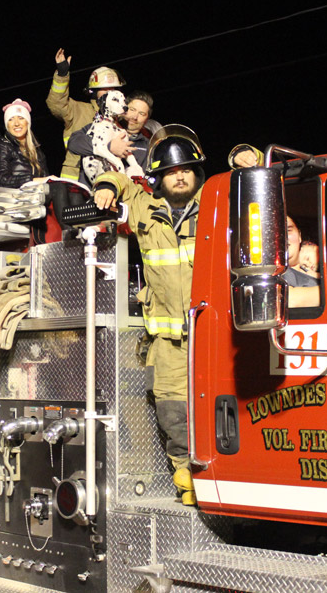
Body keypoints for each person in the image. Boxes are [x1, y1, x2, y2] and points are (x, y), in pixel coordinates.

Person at [92, 124, 205, 505]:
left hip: (213, 335)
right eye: (171, 171)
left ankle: (220, 478)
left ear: (197, 173)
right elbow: (120, 181)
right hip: (170, 343)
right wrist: (106, 186)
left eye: (186, 169)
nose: (180, 175)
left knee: (220, 406)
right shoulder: (145, 206)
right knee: (173, 411)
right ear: (159, 177)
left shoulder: (219, 204)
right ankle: (185, 479)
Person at [46, 49, 125, 181]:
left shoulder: (122, 118)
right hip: (77, 178)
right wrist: (62, 73)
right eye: (104, 89)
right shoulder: (79, 110)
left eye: (113, 89)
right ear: (93, 91)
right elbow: (56, 104)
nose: (109, 93)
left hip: (112, 178)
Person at [67, 90, 155, 189]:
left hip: (126, 197)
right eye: (132, 109)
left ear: (147, 118)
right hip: (93, 195)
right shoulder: (100, 126)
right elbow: (73, 143)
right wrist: (110, 147)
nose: (135, 117)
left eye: (142, 114)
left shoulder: (148, 146)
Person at [0, 99, 49, 188]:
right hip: (14, 197)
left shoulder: (35, 148)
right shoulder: (2, 145)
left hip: (36, 195)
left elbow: (44, 176)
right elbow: (0, 179)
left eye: (21, 118)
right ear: (7, 125)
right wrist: (32, 180)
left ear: (27, 122)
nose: (16, 123)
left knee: (61, 188)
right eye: (11, 119)